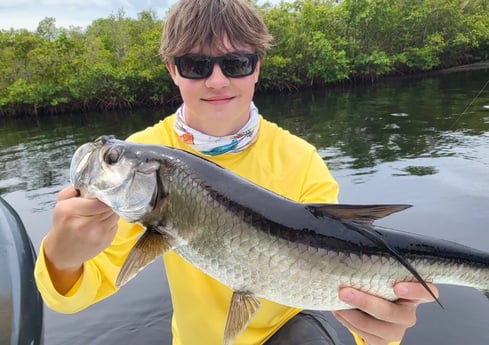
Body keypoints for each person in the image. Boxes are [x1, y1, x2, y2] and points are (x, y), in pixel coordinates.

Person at [34, 1, 439, 344]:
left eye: (236, 63)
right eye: (196, 65)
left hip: (289, 330)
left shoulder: (300, 159)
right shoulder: (141, 162)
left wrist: (377, 331)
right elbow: (73, 296)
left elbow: (341, 267)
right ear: (173, 70)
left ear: (257, 67)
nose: (216, 80)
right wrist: (62, 256)